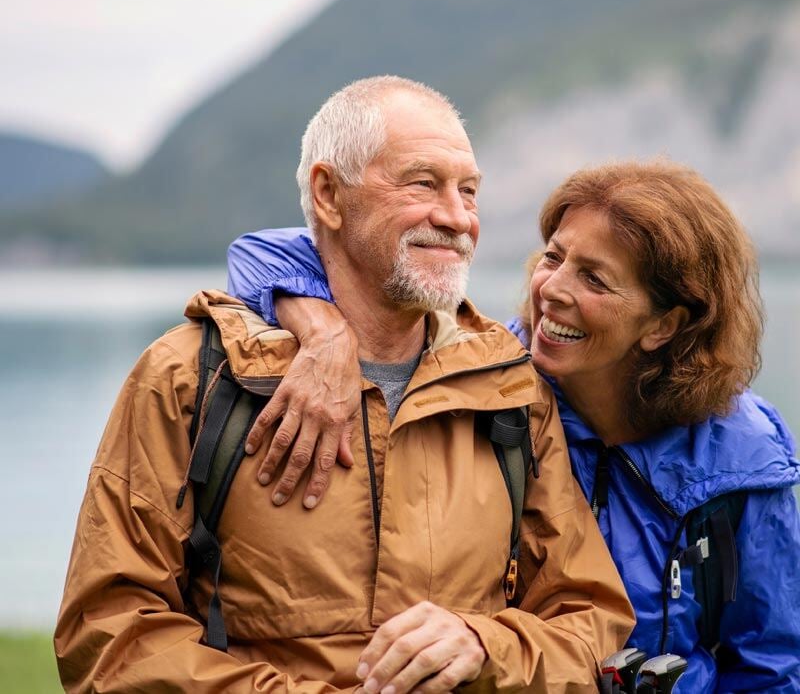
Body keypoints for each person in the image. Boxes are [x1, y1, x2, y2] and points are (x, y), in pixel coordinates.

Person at [55, 76, 634, 694]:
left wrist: (484, 645)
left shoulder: (510, 385)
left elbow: (589, 622)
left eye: (468, 191)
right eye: (423, 183)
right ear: (329, 195)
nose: (458, 217)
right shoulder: (189, 378)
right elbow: (111, 638)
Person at [228, 159, 800, 692]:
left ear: (664, 324)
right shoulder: (487, 379)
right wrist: (322, 328)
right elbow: (259, 252)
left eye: (595, 280)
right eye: (554, 257)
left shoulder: (742, 459)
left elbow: (772, 666)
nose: (551, 290)